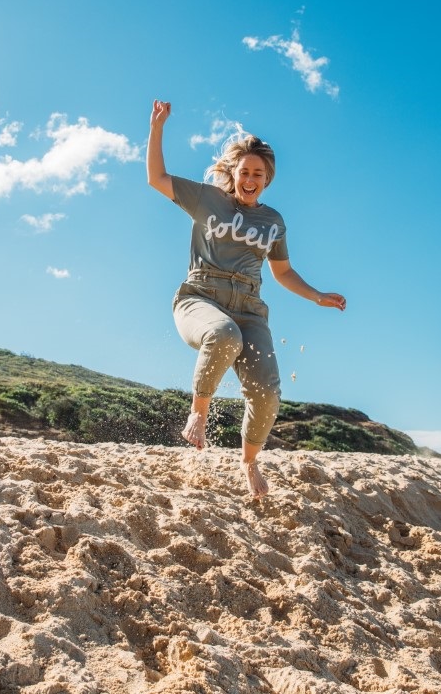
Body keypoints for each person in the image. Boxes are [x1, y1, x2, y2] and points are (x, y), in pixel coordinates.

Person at [147, 99, 346, 499]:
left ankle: (250, 463)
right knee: (222, 335)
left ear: (267, 179)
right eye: (245, 171)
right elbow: (156, 177)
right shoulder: (206, 199)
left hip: (250, 309)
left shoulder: (273, 221)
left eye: (259, 173)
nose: (250, 178)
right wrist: (158, 128)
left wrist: (317, 295)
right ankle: (198, 415)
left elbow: (283, 272)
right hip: (199, 297)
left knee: (267, 392)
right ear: (233, 172)